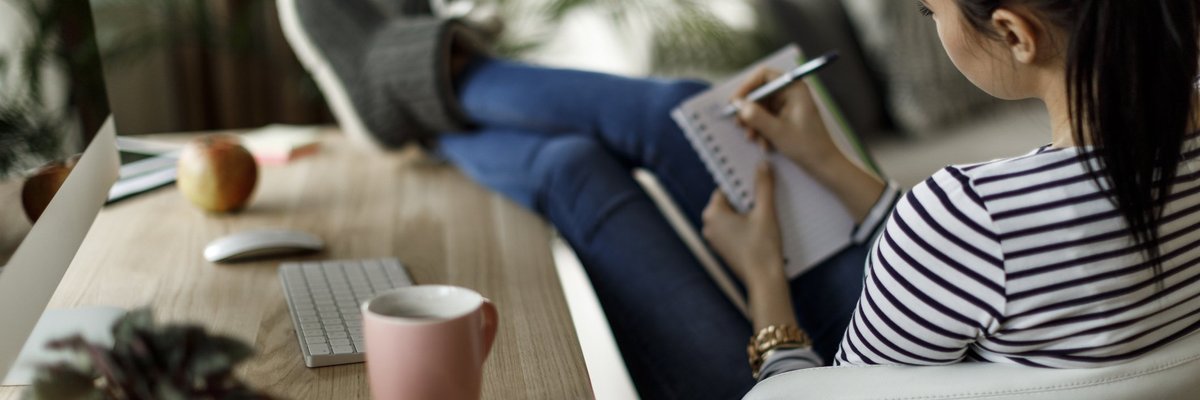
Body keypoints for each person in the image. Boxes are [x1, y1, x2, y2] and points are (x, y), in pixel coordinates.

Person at [280, 0, 1200, 398]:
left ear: (1013, 32)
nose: (934, 25)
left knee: (574, 169)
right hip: (982, 363)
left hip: (813, 391)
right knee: (686, 115)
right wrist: (829, 165)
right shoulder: (1136, 163)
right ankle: (421, 90)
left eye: (934, 16)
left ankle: (411, 90)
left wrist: (762, 280)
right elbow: (987, 274)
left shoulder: (967, 214)